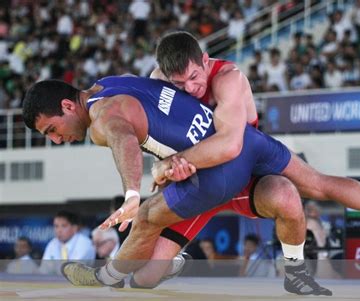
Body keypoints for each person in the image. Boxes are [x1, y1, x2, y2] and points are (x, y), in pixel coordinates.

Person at [133, 31, 360, 287]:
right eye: (179, 84)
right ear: (165, 75)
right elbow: (155, 138)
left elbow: (230, 145)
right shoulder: (158, 83)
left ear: (206, 60)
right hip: (204, 181)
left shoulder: (228, 78)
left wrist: (175, 162)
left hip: (247, 161)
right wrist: (172, 163)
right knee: (146, 277)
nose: (190, 89)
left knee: (317, 185)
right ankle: (169, 262)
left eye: (195, 78)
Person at [22, 76, 331, 296]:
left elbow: (124, 140)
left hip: (216, 176)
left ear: (67, 105)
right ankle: (161, 264)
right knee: (144, 279)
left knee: (144, 217)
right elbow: (163, 83)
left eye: (52, 129)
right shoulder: (111, 83)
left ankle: (105, 277)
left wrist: (132, 195)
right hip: (200, 174)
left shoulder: (102, 118)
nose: (56, 139)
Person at [38, 211, 95, 275]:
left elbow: (73, 271)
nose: (59, 230)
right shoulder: (53, 243)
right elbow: (44, 270)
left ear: (74, 228)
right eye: (56, 226)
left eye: (63, 226)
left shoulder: (85, 243)